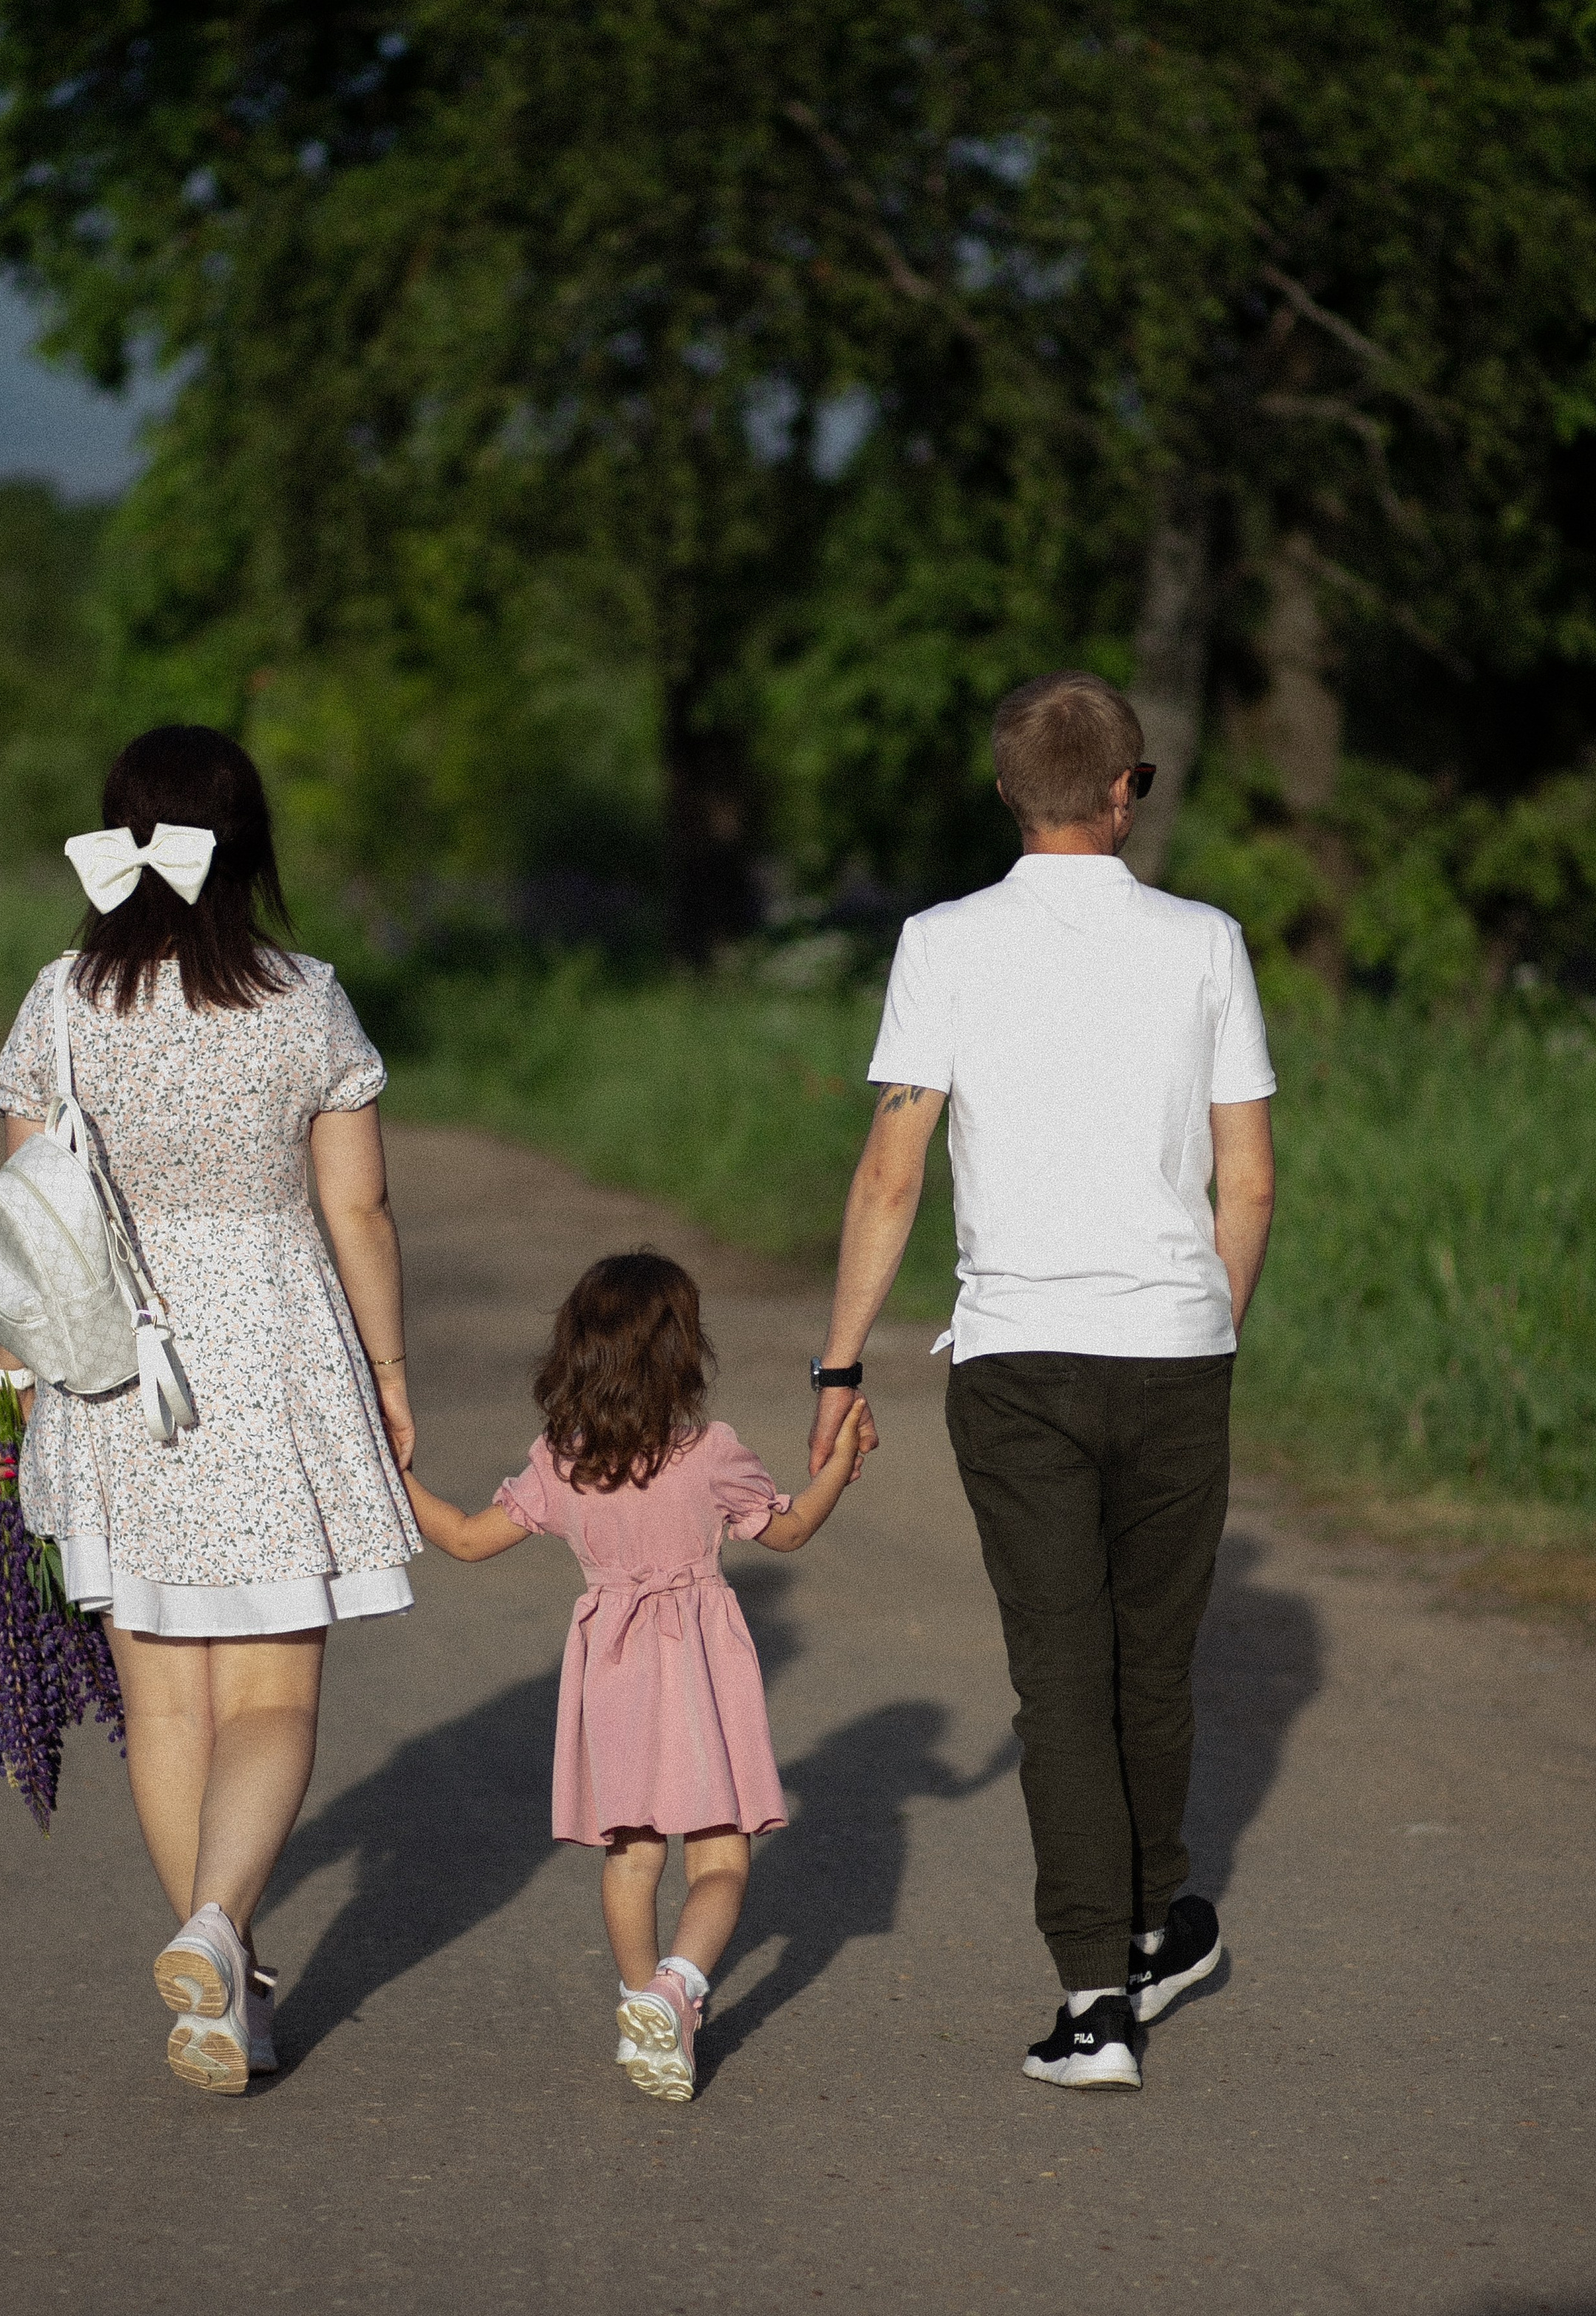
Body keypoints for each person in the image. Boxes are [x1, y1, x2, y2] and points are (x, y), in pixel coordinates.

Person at [805, 670, 1277, 2093]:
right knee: (1151, 1659)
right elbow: (1248, 1179)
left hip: (1017, 1361)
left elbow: (893, 1168)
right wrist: (1206, 1324)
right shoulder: (1206, 942)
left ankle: (1096, 1996)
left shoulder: (942, 942)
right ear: (1128, 789)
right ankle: (1149, 1918)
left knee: (1061, 1672)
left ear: (1010, 793)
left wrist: (841, 1360)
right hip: (1178, 1351)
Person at [0, 724, 420, 2095]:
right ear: (251, 844)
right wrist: (392, 1375)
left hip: (109, 1373)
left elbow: (30, 1228)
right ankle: (219, 1934)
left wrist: (3, 1390)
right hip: (276, 1357)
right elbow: (358, 1207)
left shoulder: (60, 1003)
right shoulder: (304, 999)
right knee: (272, 1692)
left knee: (166, 1705)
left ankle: (224, 1991)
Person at [403, 1251, 864, 2101]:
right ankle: (677, 1988)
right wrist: (839, 1459)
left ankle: (637, 2004)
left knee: (631, 1855)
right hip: (698, 1671)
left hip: (610, 1673)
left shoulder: (561, 1462)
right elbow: (791, 1529)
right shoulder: (712, 1454)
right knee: (720, 1861)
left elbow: (465, 1539)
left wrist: (390, 1477)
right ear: (684, 1352)